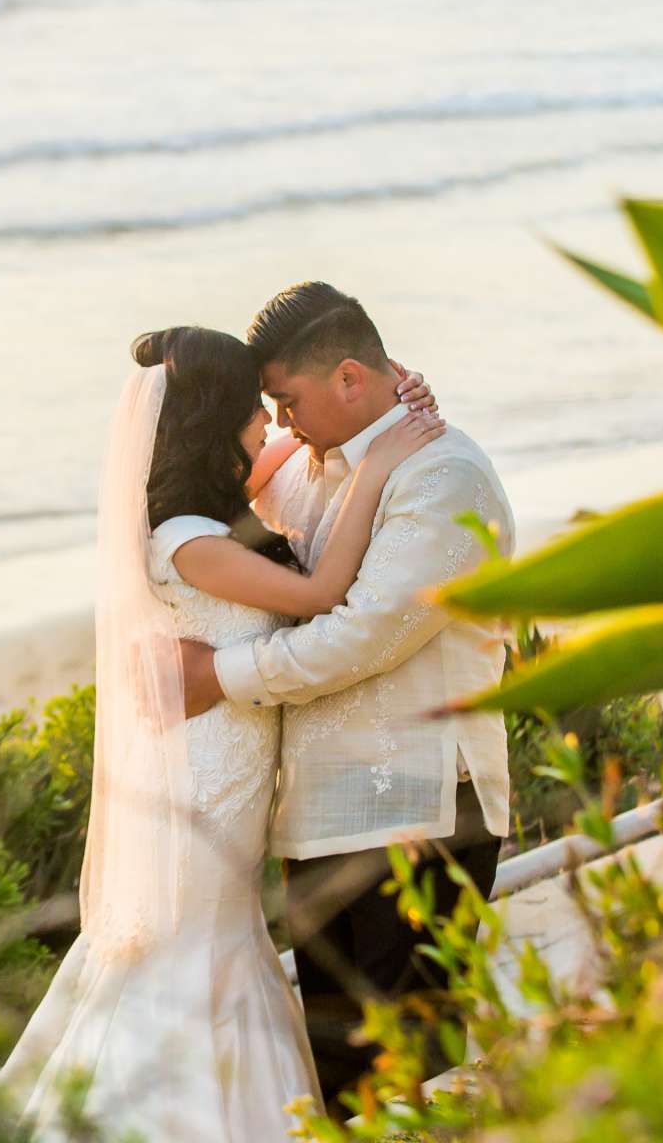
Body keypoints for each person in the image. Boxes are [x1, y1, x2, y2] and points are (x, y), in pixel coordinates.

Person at [0, 327, 443, 1143]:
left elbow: (300, 447)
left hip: (232, 770)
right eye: (255, 412)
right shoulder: (191, 542)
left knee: (221, 937)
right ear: (216, 423)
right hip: (206, 777)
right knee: (191, 946)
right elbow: (320, 594)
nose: (271, 426)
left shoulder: (208, 511)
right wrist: (380, 467)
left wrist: (394, 399)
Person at [176, 281, 515, 1117]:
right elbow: (230, 492)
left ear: (352, 379)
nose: (282, 422)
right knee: (345, 1085)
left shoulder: (444, 476)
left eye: (288, 402)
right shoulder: (315, 467)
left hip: (424, 811)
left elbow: (367, 633)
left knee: (418, 1079)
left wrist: (221, 677)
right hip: (325, 818)